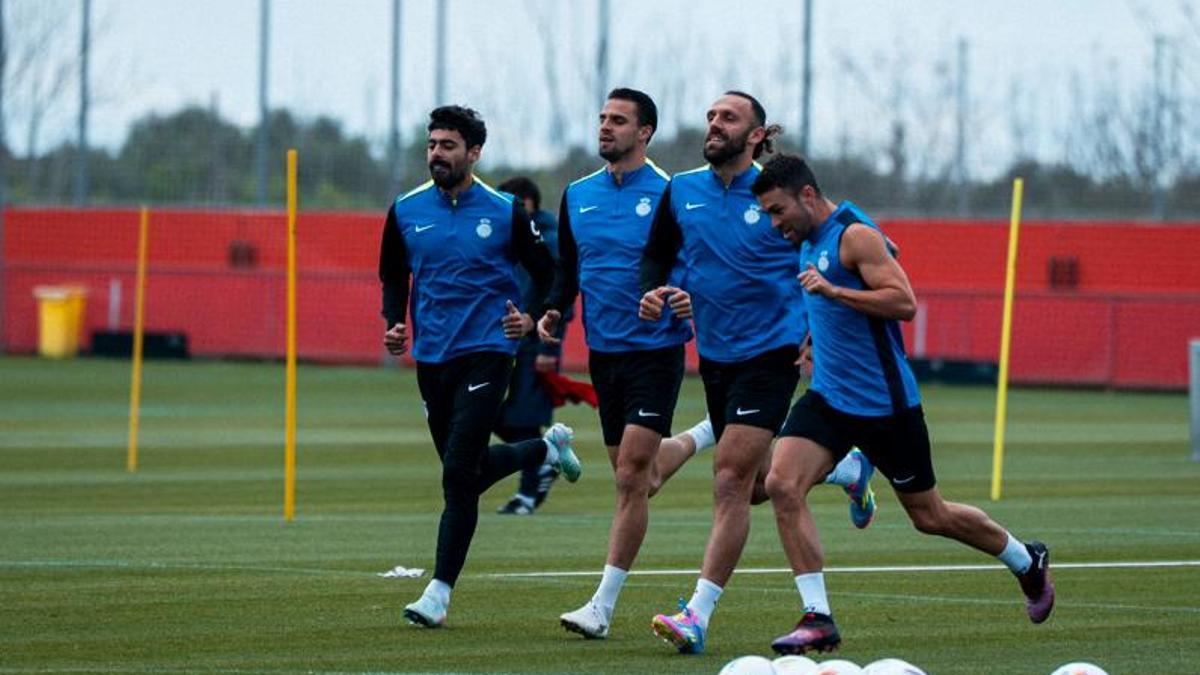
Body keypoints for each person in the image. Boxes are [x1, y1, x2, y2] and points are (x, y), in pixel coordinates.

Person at [749, 153, 1054, 655]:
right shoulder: (805, 239)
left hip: (885, 406)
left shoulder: (854, 236)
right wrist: (812, 338)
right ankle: (817, 617)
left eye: (777, 211)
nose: (774, 223)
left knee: (930, 516)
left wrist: (834, 292)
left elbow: (903, 303)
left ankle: (1026, 560)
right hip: (828, 398)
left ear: (807, 195)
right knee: (780, 483)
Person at [639, 91, 873, 655]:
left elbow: (836, 244)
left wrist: (820, 329)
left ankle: (696, 615)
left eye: (729, 117)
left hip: (772, 353)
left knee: (729, 480)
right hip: (715, 356)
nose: (715, 124)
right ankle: (845, 469)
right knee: (761, 483)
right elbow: (657, 255)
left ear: (757, 135)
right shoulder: (681, 189)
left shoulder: (777, 194)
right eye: (711, 116)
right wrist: (657, 290)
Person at [378, 105, 583, 629]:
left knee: (456, 474)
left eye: (448, 145)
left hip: (489, 351)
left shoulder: (504, 210)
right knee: (465, 473)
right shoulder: (405, 210)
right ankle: (545, 449)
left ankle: (438, 593)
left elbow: (547, 271)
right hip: (432, 357)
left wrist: (531, 317)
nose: (437, 154)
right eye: (432, 144)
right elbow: (394, 274)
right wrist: (394, 322)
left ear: (473, 153)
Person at [536, 88, 719, 640]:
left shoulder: (671, 193)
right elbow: (569, 269)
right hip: (604, 353)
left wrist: (685, 296)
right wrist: (553, 309)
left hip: (655, 351)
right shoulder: (577, 194)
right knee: (646, 475)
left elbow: (702, 262)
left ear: (645, 132)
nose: (605, 127)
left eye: (618, 120)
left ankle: (602, 607)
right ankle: (707, 432)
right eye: (602, 118)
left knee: (629, 477)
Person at [494, 176, 573, 515]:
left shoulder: (549, 239)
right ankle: (544, 458)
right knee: (492, 413)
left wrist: (548, 350)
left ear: (526, 203)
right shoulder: (513, 237)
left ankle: (527, 494)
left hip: (536, 342)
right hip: (509, 342)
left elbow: (561, 297)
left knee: (524, 417)